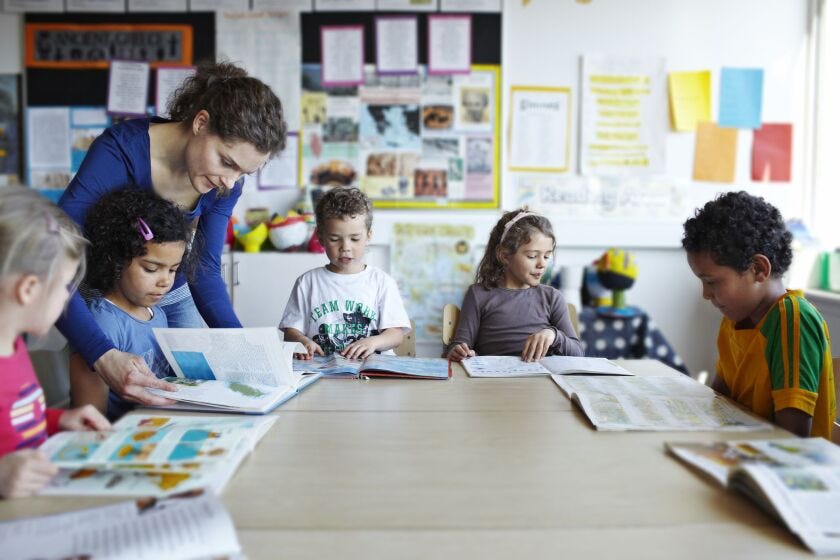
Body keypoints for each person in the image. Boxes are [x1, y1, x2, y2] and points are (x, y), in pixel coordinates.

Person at [56, 61, 287, 407]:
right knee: (109, 392)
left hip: (173, 291)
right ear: (201, 122)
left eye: (243, 173)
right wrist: (102, 354)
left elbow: (204, 269)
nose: (230, 182)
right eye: (226, 161)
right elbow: (56, 256)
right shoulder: (119, 150)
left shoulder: (226, 184)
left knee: (193, 394)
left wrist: (246, 351)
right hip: (102, 286)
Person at [683, 191, 836, 438]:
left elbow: (792, 436)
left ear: (758, 269)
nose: (706, 294)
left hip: (785, 467)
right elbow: (719, 399)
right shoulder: (734, 319)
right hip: (740, 449)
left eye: (711, 282)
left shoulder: (793, 320)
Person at [0, 187, 110, 498]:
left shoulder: (14, 346)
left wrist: (58, 420)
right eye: (65, 285)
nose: (67, 298)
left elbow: (15, 424)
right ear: (28, 289)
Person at [69, 188, 192, 420]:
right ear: (115, 259)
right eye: (151, 269)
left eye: (173, 270)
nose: (165, 281)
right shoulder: (102, 323)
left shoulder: (156, 312)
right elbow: (90, 418)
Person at [280, 187, 411, 359]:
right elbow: (291, 331)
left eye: (355, 239)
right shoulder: (307, 282)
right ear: (321, 238)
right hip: (323, 373)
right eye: (334, 239)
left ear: (368, 236)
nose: (345, 248)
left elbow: (396, 334)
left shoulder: (382, 282)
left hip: (372, 373)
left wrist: (373, 342)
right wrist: (302, 341)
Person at [448, 209, 584, 362]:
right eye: (532, 256)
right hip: (491, 382)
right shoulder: (478, 294)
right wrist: (459, 352)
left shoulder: (552, 297)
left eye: (546, 256)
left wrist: (553, 335)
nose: (542, 264)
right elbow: (459, 346)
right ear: (505, 256)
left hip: (541, 382)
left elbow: (578, 354)